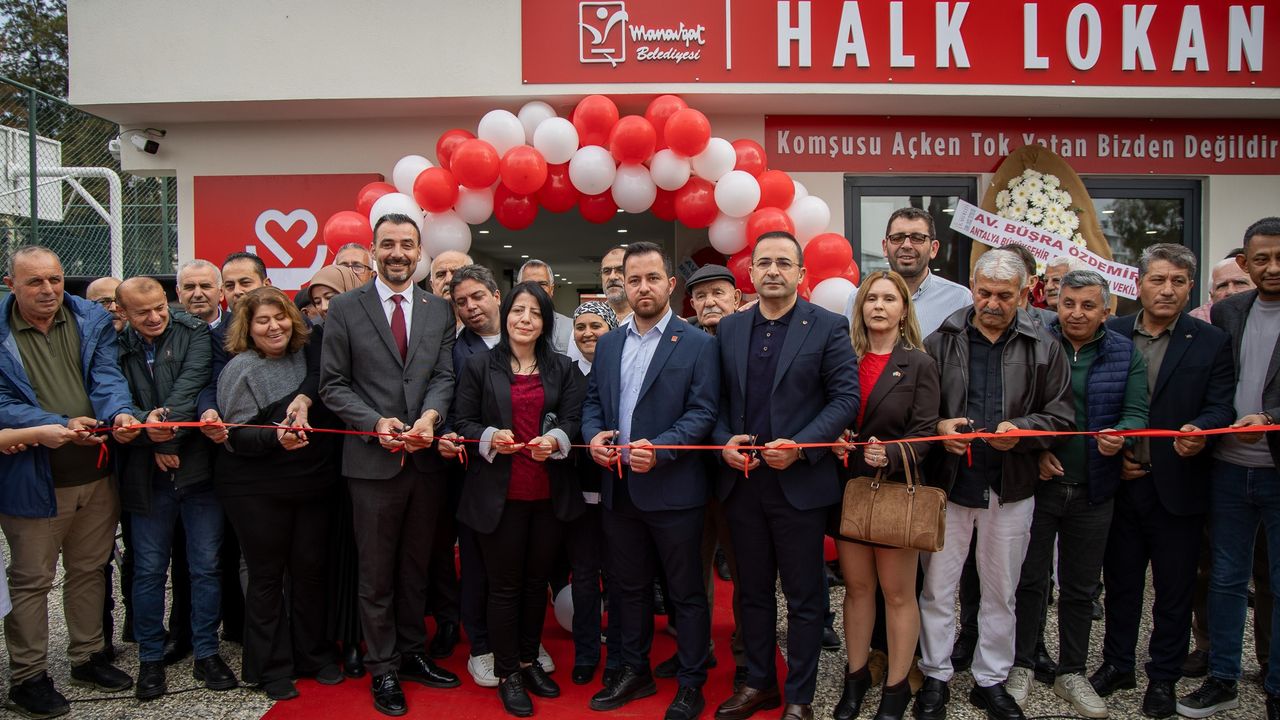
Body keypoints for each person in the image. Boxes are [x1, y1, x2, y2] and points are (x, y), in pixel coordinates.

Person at [916, 250, 1074, 720]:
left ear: (1024, 295)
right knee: (937, 588)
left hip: (1011, 487)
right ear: (972, 287)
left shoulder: (1044, 346)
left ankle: (991, 678)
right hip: (949, 486)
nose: (991, 303)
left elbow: (1062, 416)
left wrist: (1024, 431)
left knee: (1002, 590)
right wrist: (939, 428)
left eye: (1004, 296)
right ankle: (936, 674)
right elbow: (918, 411)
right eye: (984, 292)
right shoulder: (940, 340)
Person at [713, 231, 859, 720]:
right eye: (764, 263)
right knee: (752, 592)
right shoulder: (730, 329)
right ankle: (759, 683)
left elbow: (845, 399)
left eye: (783, 263)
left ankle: (799, 696)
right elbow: (714, 400)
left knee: (804, 597)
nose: (772, 270)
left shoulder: (828, 326)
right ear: (750, 272)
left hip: (800, 486)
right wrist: (723, 442)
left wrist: (801, 447)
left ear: (801, 273)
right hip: (743, 485)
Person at [320, 213, 461, 717]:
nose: (397, 253)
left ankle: (411, 653)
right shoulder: (345, 308)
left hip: (423, 464)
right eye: (388, 244)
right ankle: (382, 668)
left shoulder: (438, 309)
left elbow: (444, 375)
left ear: (419, 251)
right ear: (373, 250)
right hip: (371, 464)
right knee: (376, 573)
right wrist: (375, 422)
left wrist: (430, 417)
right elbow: (332, 384)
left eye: (406, 244)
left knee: (415, 568)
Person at [1088, 244, 1234, 719]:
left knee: (1174, 590)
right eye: (1157, 279)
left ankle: (1163, 677)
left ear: (1190, 287)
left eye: (1177, 281)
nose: (1167, 290)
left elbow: (1221, 405)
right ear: (1138, 284)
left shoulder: (1210, 341)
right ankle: (1117, 665)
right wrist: (1113, 453)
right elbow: (1091, 401)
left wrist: (1201, 431)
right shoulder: (1110, 332)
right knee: (1121, 584)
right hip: (1121, 481)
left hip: (1179, 484)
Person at [0, 246, 142, 718]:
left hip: (96, 474)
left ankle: (88, 656)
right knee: (32, 580)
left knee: (89, 569)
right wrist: (56, 423)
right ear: (11, 285)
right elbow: (2, 403)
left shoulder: (89, 319)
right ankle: (28, 677)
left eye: (55, 280)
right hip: (32, 478)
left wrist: (118, 414)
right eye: (35, 282)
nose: (48, 290)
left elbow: (107, 377)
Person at [582, 241, 720, 720]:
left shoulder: (698, 343)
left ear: (670, 284)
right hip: (620, 489)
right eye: (634, 279)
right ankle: (635, 671)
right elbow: (594, 403)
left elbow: (703, 412)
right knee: (629, 588)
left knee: (686, 593)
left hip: (675, 491)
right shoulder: (609, 343)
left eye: (652, 278)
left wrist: (661, 449)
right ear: (623, 283)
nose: (643, 287)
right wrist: (592, 436)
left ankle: (691, 682)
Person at [1006, 271, 1149, 719]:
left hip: (1095, 488)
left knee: (1080, 588)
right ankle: (1022, 664)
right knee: (1030, 581)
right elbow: (1019, 409)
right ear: (1056, 304)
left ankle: (1072, 672)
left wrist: (1121, 436)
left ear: (1107, 310)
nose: (1076, 313)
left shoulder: (1124, 352)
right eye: (1068, 303)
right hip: (1038, 485)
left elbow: (1136, 413)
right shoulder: (1036, 342)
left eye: (1088, 305)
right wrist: (1039, 450)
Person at [452, 282, 587, 716]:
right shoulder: (479, 366)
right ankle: (508, 671)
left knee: (535, 584)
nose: (525, 319)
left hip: (548, 495)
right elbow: (462, 421)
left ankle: (529, 661)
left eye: (535, 312)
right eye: (518, 310)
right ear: (505, 314)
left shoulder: (562, 367)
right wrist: (490, 435)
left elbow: (574, 419)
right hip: (499, 497)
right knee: (504, 587)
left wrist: (558, 437)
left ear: (546, 321)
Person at [215, 286, 341, 700]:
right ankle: (271, 668)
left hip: (311, 484)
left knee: (310, 571)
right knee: (266, 577)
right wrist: (274, 439)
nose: (274, 327)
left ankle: (313, 654)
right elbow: (234, 438)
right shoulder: (240, 370)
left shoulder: (310, 356)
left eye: (280, 317)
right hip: (256, 489)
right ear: (248, 328)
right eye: (263, 320)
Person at [113, 277, 237, 699]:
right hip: (146, 477)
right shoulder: (115, 344)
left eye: (160, 308)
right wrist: (150, 440)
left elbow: (192, 389)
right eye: (142, 312)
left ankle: (207, 652)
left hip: (198, 473)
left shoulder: (194, 332)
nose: (154, 317)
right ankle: (150, 658)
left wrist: (165, 439)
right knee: (149, 570)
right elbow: (114, 400)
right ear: (124, 312)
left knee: (205, 567)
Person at [1180, 217, 1280, 719]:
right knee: (1224, 578)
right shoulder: (1229, 312)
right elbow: (1214, 381)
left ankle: (1277, 685)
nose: (1272, 267)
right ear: (1244, 262)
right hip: (1227, 469)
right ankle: (1222, 678)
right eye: (1261, 259)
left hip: (1276, 469)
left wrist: (1270, 418)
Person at [830, 270, 941, 720]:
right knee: (857, 590)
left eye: (888, 299)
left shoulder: (920, 364)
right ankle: (855, 677)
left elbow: (926, 432)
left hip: (894, 494)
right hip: (848, 490)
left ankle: (896, 688)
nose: (878, 305)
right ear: (860, 308)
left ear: (903, 309)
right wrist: (835, 438)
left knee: (897, 594)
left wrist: (891, 454)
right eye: (871, 298)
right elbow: (829, 412)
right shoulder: (843, 359)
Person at [678, 262, 748, 688]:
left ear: (736, 298)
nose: (709, 302)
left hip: (738, 478)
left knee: (745, 574)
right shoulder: (681, 339)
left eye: (718, 293)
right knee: (691, 571)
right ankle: (695, 649)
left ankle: (747, 657)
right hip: (688, 477)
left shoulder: (751, 335)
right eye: (701, 296)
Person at [438, 264, 503, 686]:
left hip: (522, 472)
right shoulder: (454, 351)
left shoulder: (522, 335)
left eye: (477, 296)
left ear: (496, 295)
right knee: (478, 565)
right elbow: (446, 404)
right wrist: (446, 434)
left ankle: (520, 640)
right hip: (473, 473)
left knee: (516, 564)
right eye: (461, 302)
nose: (470, 307)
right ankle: (481, 645)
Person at [563, 300, 620, 686]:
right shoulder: (565, 374)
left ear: (611, 330)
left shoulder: (622, 368)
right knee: (583, 576)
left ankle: (617, 654)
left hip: (620, 492)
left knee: (620, 576)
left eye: (596, 326)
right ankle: (585, 653)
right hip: (578, 492)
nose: (587, 333)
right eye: (580, 326)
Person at [843, 207, 970, 336]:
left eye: (918, 238)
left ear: (934, 248)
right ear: (885, 247)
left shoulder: (960, 299)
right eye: (897, 238)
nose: (907, 245)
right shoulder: (859, 298)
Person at [517, 259, 580, 359]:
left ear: (552, 289)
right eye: (529, 284)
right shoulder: (511, 327)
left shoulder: (572, 328)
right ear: (518, 289)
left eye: (542, 284)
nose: (536, 289)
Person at [1189, 251, 1253, 322]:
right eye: (1223, 286)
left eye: (1239, 283)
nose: (1230, 291)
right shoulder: (1196, 322)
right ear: (1211, 295)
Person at [176, 260, 225, 326]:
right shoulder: (168, 330)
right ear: (179, 294)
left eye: (205, 286)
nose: (197, 294)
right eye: (189, 287)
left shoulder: (238, 326)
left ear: (221, 292)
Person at [600, 246, 633, 323]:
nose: (612, 277)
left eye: (621, 270)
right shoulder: (590, 318)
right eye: (606, 271)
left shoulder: (651, 316)